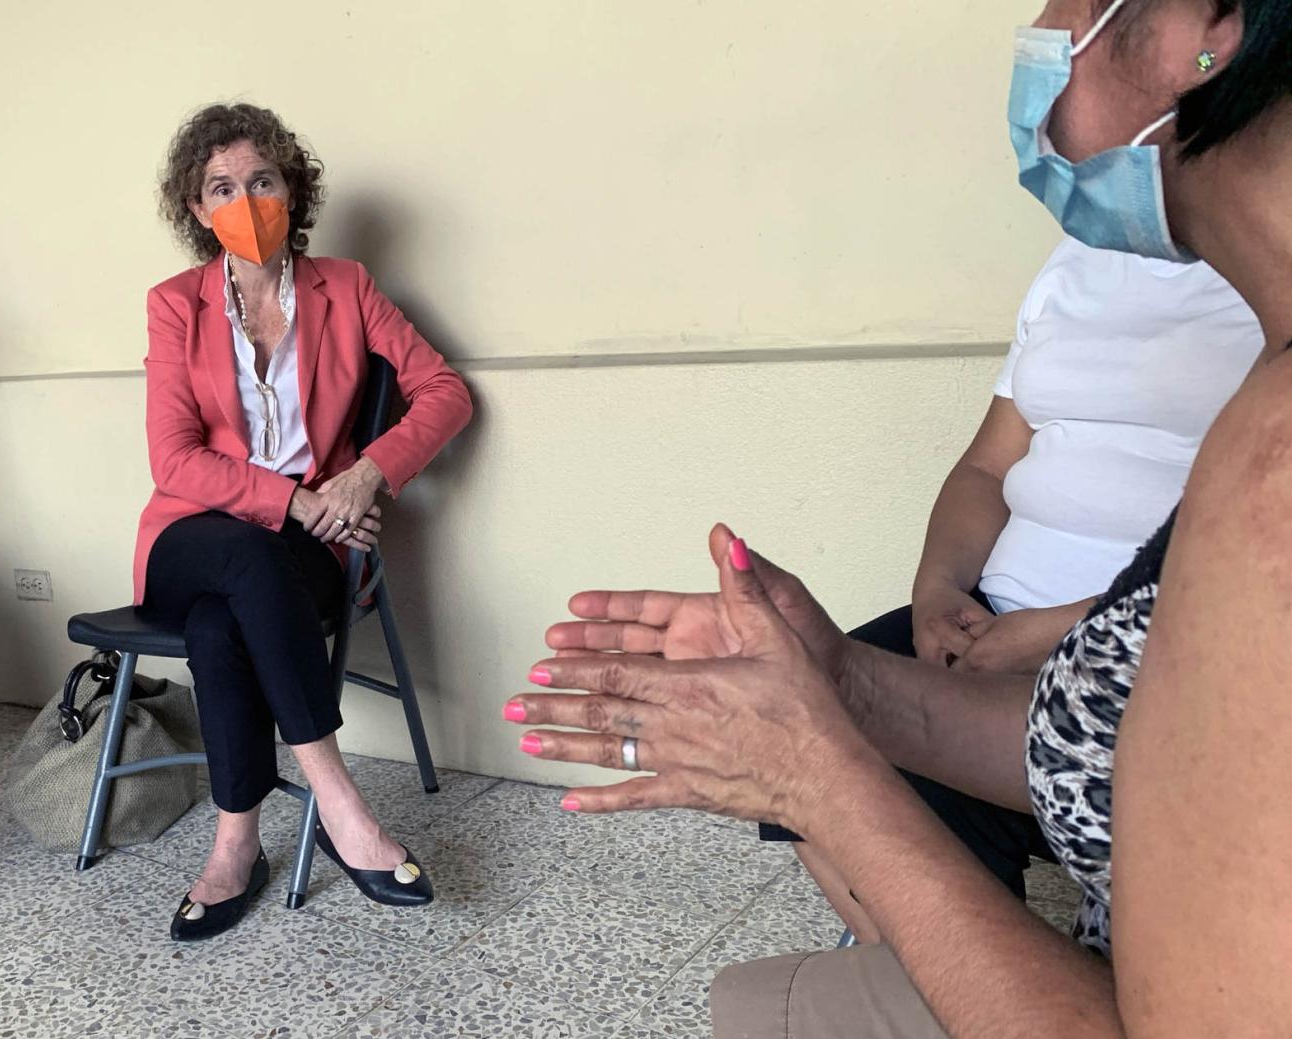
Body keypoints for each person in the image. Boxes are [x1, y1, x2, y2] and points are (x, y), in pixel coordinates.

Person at [508, 1, 1292, 1034]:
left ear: (1206, 28)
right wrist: (841, 682)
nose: (1038, 36)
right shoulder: (1251, 400)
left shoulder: (1270, 465)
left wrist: (817, 776)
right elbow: (1121, 740)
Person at [757, 236, 1263, 934]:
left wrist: (1067, 630)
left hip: (1157, 639)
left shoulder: (1264, 271)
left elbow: (1262, 551)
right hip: (989, 620)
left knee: (912, 761)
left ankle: (970, 967)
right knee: (794, 706)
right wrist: (938, 592)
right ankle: (908, 953)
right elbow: (986, 470)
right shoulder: (1074, 261)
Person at [136, 104, 472, 941]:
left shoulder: (347, 288)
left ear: (294, 188)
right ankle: (342, 802)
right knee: (240, 564)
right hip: (194, 534)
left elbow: (446, 393)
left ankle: (234, 845)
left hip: (307, 547)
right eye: (221, 187)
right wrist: (295, 500)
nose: (244, 199)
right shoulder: (175, 305)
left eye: (261, 179)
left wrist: (366, 476)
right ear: (195, 207)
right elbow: (173, 459)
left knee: (222, 627)